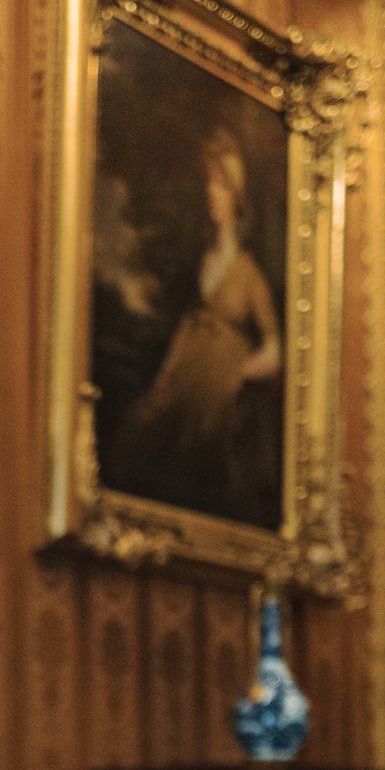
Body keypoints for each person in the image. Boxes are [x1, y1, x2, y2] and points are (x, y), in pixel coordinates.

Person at [106, 127, 283, 524]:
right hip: (186, 378)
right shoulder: (203, 263)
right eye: (209, 183)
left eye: (220, 185)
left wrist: (239, 373)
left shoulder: (249, 274)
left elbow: (275, 348)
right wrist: (166, 374)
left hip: (220, 394)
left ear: (237, 195)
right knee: (147, 437)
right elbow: (189, 324)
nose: (211, 193)